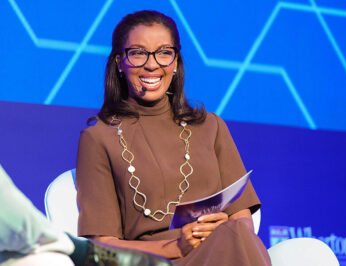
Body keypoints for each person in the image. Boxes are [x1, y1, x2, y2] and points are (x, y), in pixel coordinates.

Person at [76, 10, 272, 265]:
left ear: (176, 63)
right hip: (156, 260)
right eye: (137, 53)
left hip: (224, 250)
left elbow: (242, 218)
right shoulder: (99, 138)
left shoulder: (211, 126)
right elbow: (103, 245)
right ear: (119, 63)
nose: (152, 64)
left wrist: (224, 233)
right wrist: (176, 246)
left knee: (234, 233)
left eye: (164, 52)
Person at [0, 164, 172, 266]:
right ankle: (81, 250)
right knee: (49, 260)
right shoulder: (98, 137)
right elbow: (15, 223)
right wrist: (80, 251)